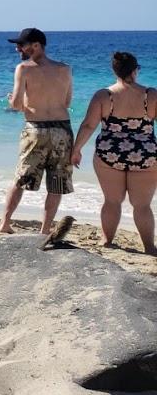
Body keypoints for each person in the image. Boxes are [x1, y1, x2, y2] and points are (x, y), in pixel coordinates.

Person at [69, 52, 157, 254]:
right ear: (136, 70)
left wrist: (76, 149)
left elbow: (89, 125)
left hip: (110, 153)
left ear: (114, 71)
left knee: (111, 200)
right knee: (142, 205)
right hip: (145, 154)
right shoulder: (151, 95)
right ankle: (149, 247)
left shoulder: (104, 95)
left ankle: (107, 241)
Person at [0, 28, 75, 236]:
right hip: (62, 129)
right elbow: (67, 102)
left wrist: (15, 102)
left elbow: (15, 104)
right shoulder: (65, 69)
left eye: (21, 45)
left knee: (21, 178)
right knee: (56, 182)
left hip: (36, 128)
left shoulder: (24, 68)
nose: (18, 49)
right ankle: (45, 229)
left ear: (36, 46)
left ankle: (5, 224)